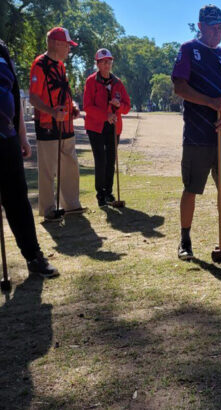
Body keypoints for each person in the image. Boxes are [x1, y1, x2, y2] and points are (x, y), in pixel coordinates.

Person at [171, 4, 221, 260]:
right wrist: (210, 102)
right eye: (213, 27)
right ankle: (185, 239)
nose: (217, 32)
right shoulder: (188, 50)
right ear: (200, 26)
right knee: (191, 187)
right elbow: (179, 87)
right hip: (197, 136)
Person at [0, 38, 59, 277]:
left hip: (8, 138)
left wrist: (22, 137)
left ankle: (33, 256)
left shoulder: (2, 50)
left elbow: (14, 95)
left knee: (17, 200)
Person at [28, 27, 85, 221]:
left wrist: (74, 106)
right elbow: (33, 98)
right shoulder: (40, 64)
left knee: (70, 166)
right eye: (67, 45)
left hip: (66, 126)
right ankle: (49, 209)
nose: (69, 49)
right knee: (47, 169)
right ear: (57, 44)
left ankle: (71, 205)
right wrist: (52, 112)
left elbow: (64, 92)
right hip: (47, 125)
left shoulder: (60, 66)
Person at [83, 48, 131, 207]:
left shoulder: (117, 82)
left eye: (109, 61)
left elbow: (127, 106)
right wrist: (105, 115)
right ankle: (100, 194)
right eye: (103, 62)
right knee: (101, 160)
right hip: (95, 126)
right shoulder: (91, 81)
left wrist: (119, 106)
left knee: (111, 160)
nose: (107, 64)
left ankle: (109, 192)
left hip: (114, 127)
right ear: (97, 64)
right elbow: (88, 107)